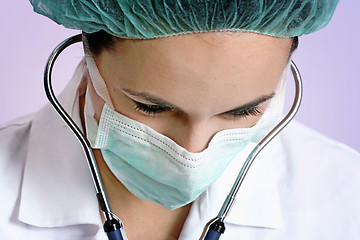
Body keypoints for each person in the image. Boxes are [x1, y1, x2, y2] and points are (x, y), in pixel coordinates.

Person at [1, 1, 359, 240]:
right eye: (152, 108)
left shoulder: (345, 194)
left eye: (242, 111)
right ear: (89, 57)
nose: (193, 152)